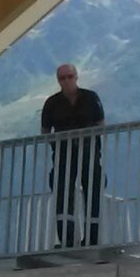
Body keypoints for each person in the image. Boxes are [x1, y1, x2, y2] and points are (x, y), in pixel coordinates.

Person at [41, 62, 105, 246]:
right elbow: (45, 131)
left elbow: (100, 123)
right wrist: (57, 144)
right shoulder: (52, 103)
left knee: (92, 193)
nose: (67, 81)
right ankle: (67, 239)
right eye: (62, 78)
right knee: (63, 195)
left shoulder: (90, 98)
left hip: (89, 154)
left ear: (76, 77)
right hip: (63, 156)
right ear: (58, 81)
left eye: (70, 76)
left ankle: (92, 238)